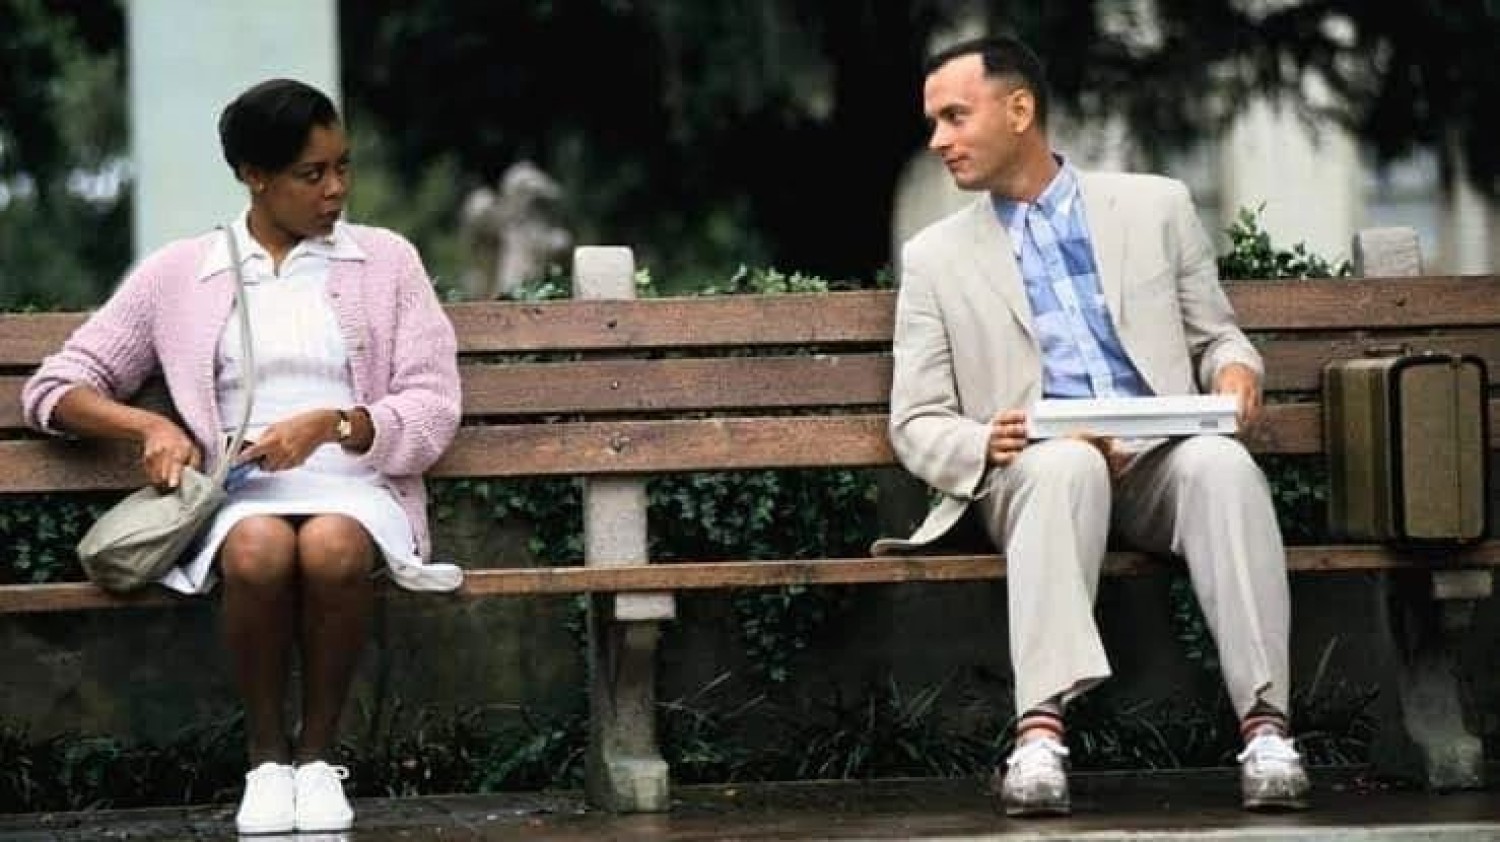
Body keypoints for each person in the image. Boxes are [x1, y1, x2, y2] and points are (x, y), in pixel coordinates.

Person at [875, 36, 1309, 816]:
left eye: (954, 117)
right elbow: (915, 420)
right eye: (934, 121)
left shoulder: (1157, 207)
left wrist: (1236, 372)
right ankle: (1039, 737)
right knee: (1064, 464)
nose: (938, 139)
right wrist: (986, 442)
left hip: (1158, 459)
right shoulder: (935, 257)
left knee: (1222, 466)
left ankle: (1267, 729)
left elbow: (1217, 338)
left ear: (1019, 110)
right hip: (1031, 473)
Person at [22, 79, 463, 834]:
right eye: (311, 173)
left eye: (343, 167)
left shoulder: (386, 261)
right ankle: (266, 763)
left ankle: (317, 761)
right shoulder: (182, 273)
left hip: (358, 484)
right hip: (242, 494)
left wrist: (335, 424)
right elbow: (56, 387)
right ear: (254, 175)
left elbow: (433, 404)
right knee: (257, 548)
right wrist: (148, 428)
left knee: (332, 545)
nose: (336, 189)